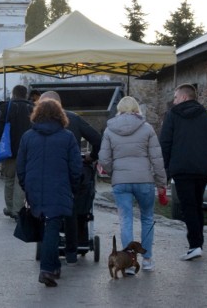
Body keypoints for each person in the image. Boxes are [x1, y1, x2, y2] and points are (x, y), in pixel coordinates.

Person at [17, 99, 82, 287]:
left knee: (46, 227)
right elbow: (75, 167)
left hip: (34, 186)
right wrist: (73, 186)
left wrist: (25, 185)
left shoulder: (28, 137)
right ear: (59, 115)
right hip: (59, 187)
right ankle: (47, 269)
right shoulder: (67, 137)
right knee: (52, 226)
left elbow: (21, 166)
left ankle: (53, 266)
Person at [98, 96, 167, 274]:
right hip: (144, 180)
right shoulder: (147, 129)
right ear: (137, 109)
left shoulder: (110, 130)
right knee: (147, 218)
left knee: (125, 220)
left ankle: (128, 263)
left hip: (121, 182)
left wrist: (115, 172)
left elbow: (104, 159)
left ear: (119, 110)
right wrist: (161, 182)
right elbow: (157, 160)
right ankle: (148, 260)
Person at [159, 84, 207, 261]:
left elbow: (165, 145)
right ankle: (198, 244)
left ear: (183, 97)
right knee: (197, 205)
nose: (173, 101)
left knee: (188, 207)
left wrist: (163, 174)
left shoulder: (172, 116)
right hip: (202, 169)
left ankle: (195, 245)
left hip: (181, 169)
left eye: (175, 97)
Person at [38, 90, 102, 266]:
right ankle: (72, 251)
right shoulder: (74, 119)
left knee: (49, 213)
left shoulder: (37, 123)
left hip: (47, 173)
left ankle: (50, 249)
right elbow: (97, 139)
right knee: (71, 210)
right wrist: (91, 157)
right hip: (73, 172)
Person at [0, 84, 33, 218]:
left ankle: (9, 207)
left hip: (8, 149)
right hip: (26, 149)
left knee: (9, 179)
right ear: (26, 94)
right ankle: (18, 209)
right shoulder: (32, 108)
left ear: (13, 94)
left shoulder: (5, 107)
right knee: (21, 180)